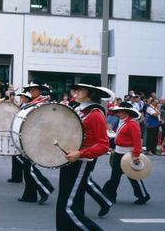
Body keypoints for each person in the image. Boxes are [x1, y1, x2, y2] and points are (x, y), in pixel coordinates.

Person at [56, 78, 113, 231]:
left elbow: (103, 145)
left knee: (68, 207)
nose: (75, 91)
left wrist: (80, 153)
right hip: (71, 159)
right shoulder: (78, 109)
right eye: (76, 88)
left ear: (91, 92)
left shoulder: (95, 114)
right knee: (65, 202)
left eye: (80, 89)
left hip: (81, 161)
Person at [103, 102, 150, 205]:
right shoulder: (122, 120)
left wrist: (136, 155)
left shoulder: (132, 124)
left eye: (120, 111)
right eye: (118, 111)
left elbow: (137, 141)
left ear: (127, 113)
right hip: (118, 152)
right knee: (115, 176)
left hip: (128, 153)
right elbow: (111, 112)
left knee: (133, 175)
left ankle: (143, 195)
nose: (118, 113)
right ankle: (110, 196)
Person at [17, 82, 54, 204]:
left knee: (30, 168)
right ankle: (30, 195)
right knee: (27, 168)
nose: (32, 91)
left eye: (34, 89)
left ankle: (45, 188)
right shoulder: (33, 103)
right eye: (31, 90)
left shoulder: (42, 103)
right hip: (29, 136)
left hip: (36, 138)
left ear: (40, 90)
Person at [7, 91, 32, 183]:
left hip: (23, 135)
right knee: (16, 157)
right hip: (18, 134)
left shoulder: (28, 106)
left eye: (22, 97)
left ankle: (18, 177)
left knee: (20, 158)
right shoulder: (23, 105)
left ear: (26, 98)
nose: (21, 98)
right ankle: (16, 176)